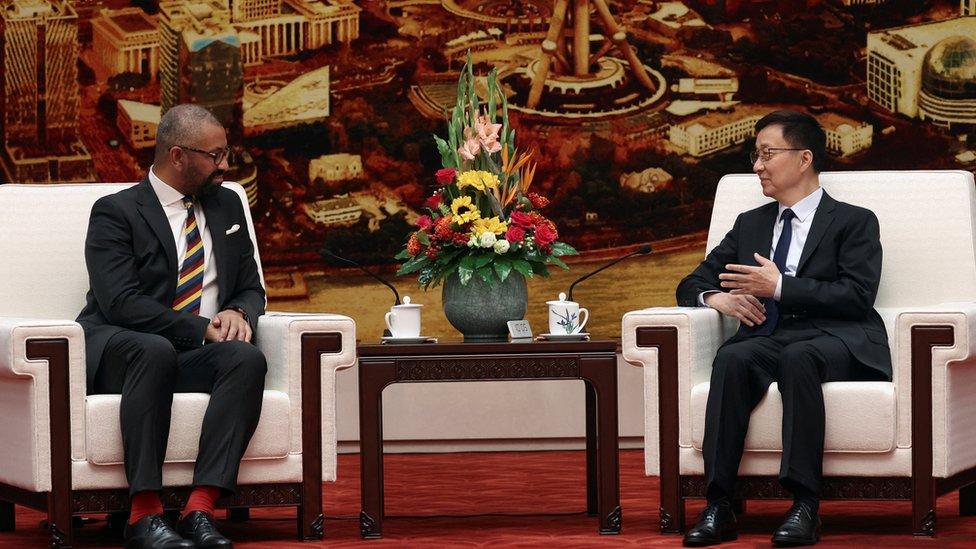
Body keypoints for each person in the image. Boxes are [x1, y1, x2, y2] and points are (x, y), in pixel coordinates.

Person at [676, 110, 891, 547]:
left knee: (799, 357)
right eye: (755, 155)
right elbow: (692, 282)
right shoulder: (751, 224)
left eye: (767, 154)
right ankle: (719, 504)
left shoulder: (854, 221)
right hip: (769, 337)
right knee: (733, 355)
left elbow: (856, 296)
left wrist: (780, 286)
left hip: (836, 337)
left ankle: (804, 504)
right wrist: (717, 298)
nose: (757, 165)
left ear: (804, 158)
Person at [77, 104, 267, 549]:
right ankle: (143, 515)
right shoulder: (115, 212)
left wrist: (240, 312)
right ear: (178, 156)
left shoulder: (228, 204)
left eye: (227, 153)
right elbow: (120, 302)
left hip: (191, 354)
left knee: (245, 358)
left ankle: (200, 510)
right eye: (215, 155)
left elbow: (251, 288)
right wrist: (200, 329)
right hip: (124, 350)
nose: (226, 165)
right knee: (154, 349)